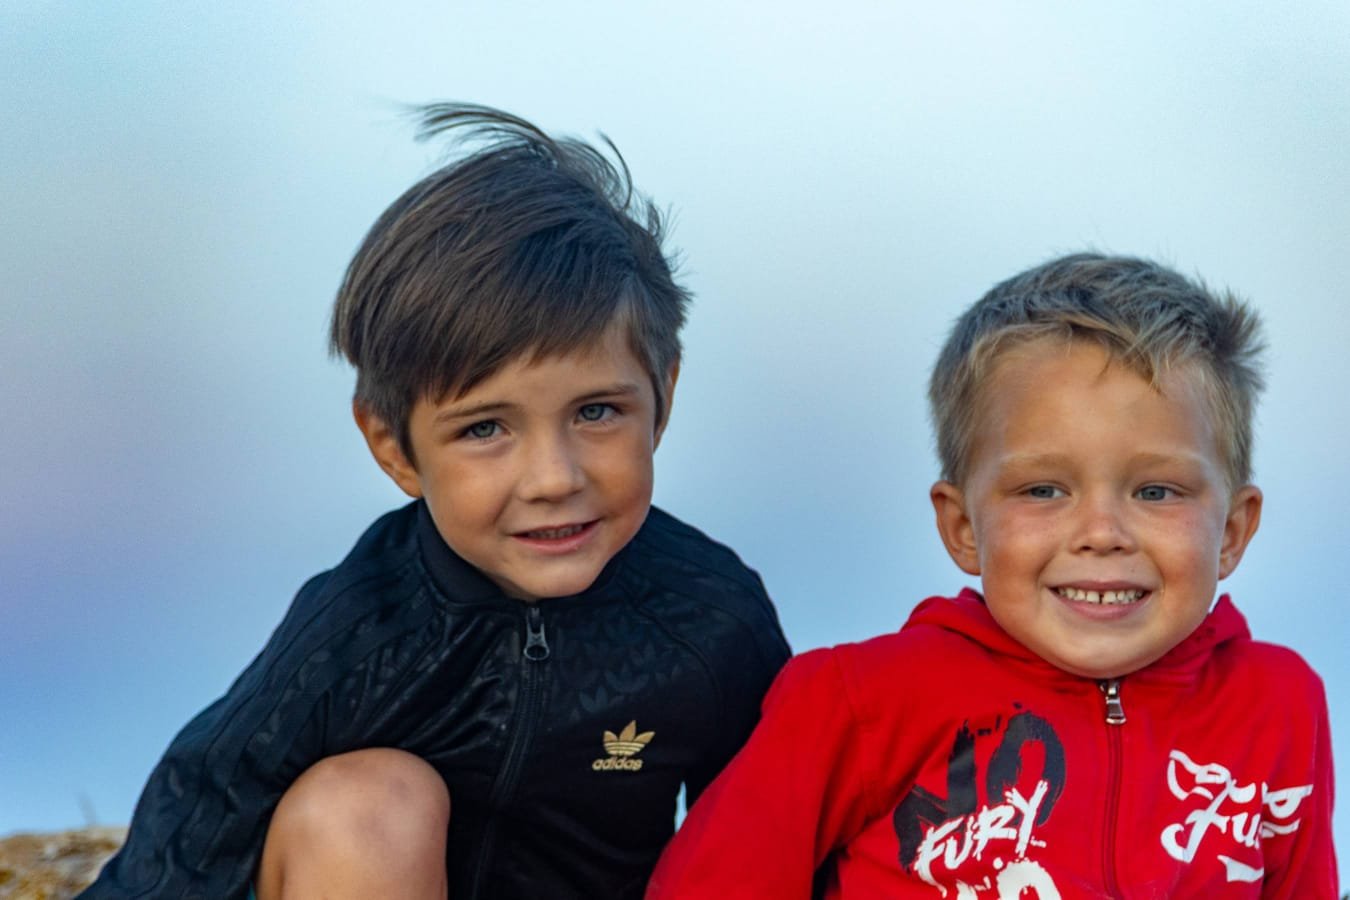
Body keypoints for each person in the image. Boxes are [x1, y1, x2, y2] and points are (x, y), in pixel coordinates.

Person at [80, 103, 790, 900]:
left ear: (662, 396)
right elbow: (198, 824)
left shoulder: (709, 616)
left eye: (596, 412)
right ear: (394, 449)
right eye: (486, 428)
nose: (554, 477)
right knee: (364, 805)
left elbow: (784, 829)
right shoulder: (358, 633)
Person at [645, 253, 1337, 898]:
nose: (1102, 533)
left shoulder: (1280, 708)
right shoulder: (856, 702)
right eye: (1043, 490)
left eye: (1157, 492)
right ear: (964, 529)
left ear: (1234, 531)